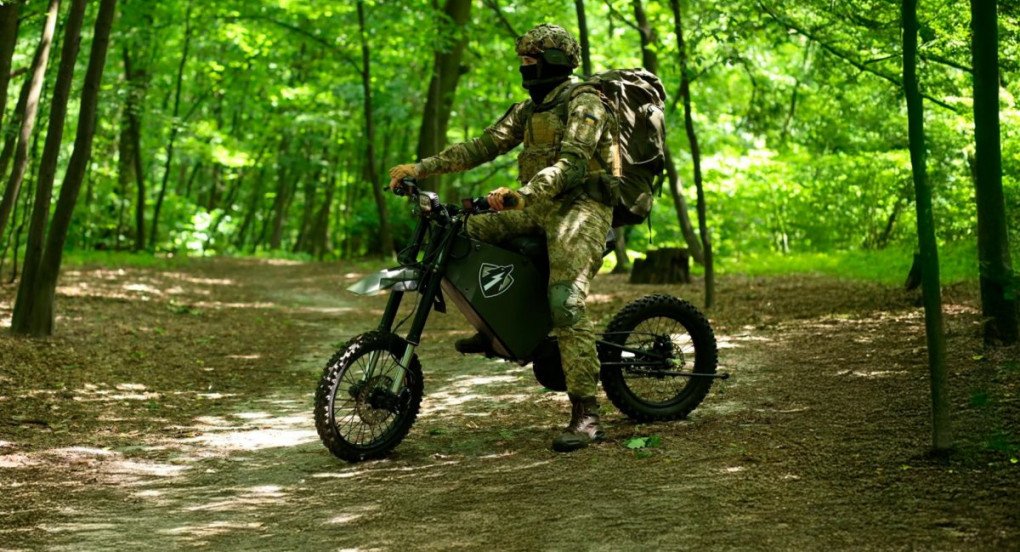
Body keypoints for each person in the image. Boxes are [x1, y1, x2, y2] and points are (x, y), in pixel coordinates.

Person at [388, 24, 619, 453]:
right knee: (460, 231)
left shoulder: (585, 103)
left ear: (554, 61)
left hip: (581, 210)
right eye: (522, 60)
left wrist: (522, 194)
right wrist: (421, 168)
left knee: (565, 304)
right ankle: (498, 322)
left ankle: (586, 414)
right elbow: (482, 146)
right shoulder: (529, 110)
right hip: (534, 205)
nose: (524, 68)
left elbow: (571, 165)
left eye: (531, 60)